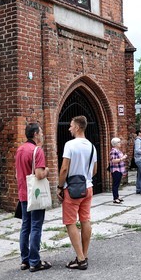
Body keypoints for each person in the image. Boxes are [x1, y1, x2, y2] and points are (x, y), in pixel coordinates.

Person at [57, 115, 97, 270]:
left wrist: (60, 186)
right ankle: (84, 254)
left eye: (71, 125)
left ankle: (80, 259)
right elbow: (94, 170)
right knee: (85, 220)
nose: (69, 128)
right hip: (88, 187)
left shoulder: (70, 145)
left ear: (78, 127)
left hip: (72, 189)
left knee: (70, 222)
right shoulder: (92, 146)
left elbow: (64, 168)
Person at [15, 123, 51, 272]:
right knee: (36, 226)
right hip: (35, 194)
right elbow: (39, 174)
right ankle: (35, 261)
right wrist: (47, 170)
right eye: (41, 132)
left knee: (25, 226)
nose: (42, 134)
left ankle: (25, 260)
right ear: (35, 134)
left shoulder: (20, 149)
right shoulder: (37, 150)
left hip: (23, 191)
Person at [109, 137, 128, 204]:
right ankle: (115, 198)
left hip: (120, 169)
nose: (120, 143)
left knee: (117, 184)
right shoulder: (113, 151)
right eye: (119, 142)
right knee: (115, 184)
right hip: (115, 169)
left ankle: (117, 196)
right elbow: (113, 160)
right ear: (115, 144)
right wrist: (122, 158)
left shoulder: (118, 150)